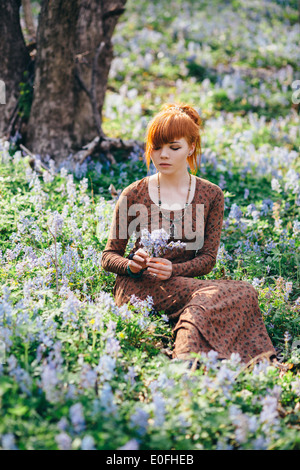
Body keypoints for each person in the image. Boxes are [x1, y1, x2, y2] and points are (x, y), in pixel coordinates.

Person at [101, 102, 277, 364]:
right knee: (211, 296)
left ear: (191, 147)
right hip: (139, 287)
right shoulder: (133, 193)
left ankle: (190, 356)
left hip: (183, 283)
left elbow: (208, 259)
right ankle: (192, 357)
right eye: (157, 147)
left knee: (244, 291)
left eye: (174, 148)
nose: (163, 155)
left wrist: (174, 270)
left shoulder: (211, 195)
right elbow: (109, 256)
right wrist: (131, 266)